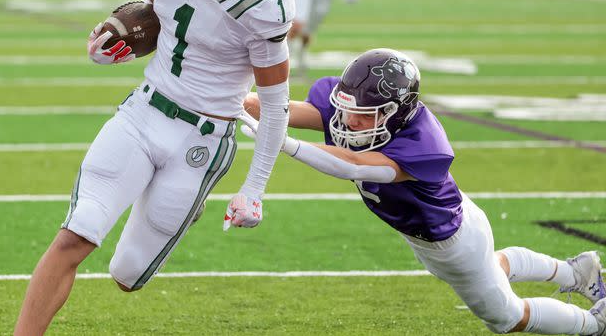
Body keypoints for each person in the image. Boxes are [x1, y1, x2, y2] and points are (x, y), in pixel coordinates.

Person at [14, 0, 294, 334]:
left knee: (127, 276)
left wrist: (254, 187)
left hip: (202, 139)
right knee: (75, 236)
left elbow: (276, 106)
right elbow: (160, 12)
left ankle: (190, 197)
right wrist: (120, 45)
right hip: (143, 113)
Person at [240, 48, 606, 335]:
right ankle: (575, 271)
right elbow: (286, 110)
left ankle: (594, 324)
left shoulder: (424, 144)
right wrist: (240, 103)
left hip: (452, 244)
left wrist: (282, 143)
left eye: (366, 116)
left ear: (396, 114)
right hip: (446, 227)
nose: (350, 121)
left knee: (506, 317)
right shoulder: (354, 108)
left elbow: (355, 165)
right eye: (348, 109)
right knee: (490, 268)